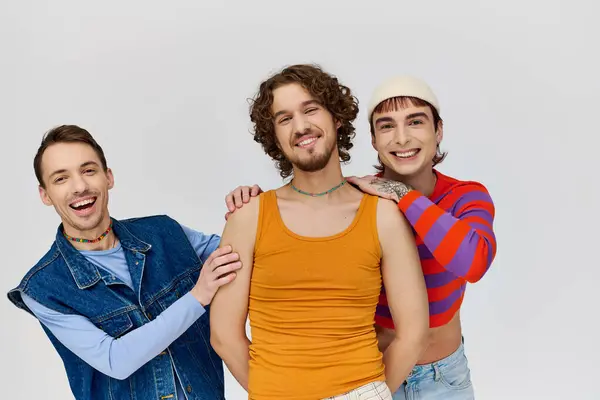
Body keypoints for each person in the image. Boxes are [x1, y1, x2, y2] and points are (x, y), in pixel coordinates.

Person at [225, 75, 498, 399]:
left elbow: (473, 260)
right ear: (373, 140)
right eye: (386, 126)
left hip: (442, 377)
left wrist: (402, 194)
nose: (402, 138)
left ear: (438, 130)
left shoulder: (464, 197)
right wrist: (253, 205)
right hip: (374, 372)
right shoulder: (361, 199)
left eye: (416, 122)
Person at [209, 64, 430, 400]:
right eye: (284, 119)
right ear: (275, 137)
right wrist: (272, 391)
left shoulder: (383, 216)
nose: (301, 126)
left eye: (310, 109)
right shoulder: (248, 216)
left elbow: (413, 332)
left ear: (336, 118)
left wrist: (375, 393)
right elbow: (224, 334)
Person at [7, 125, 241, 400]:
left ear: (108, 177)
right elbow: (115, 360)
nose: (80, 187)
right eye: (61, 179)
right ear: (45, 195)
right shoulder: (44, 288)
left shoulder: (164, 232)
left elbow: (242, 255)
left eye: (88, 170)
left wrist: (248, 211)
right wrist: (198, 296)